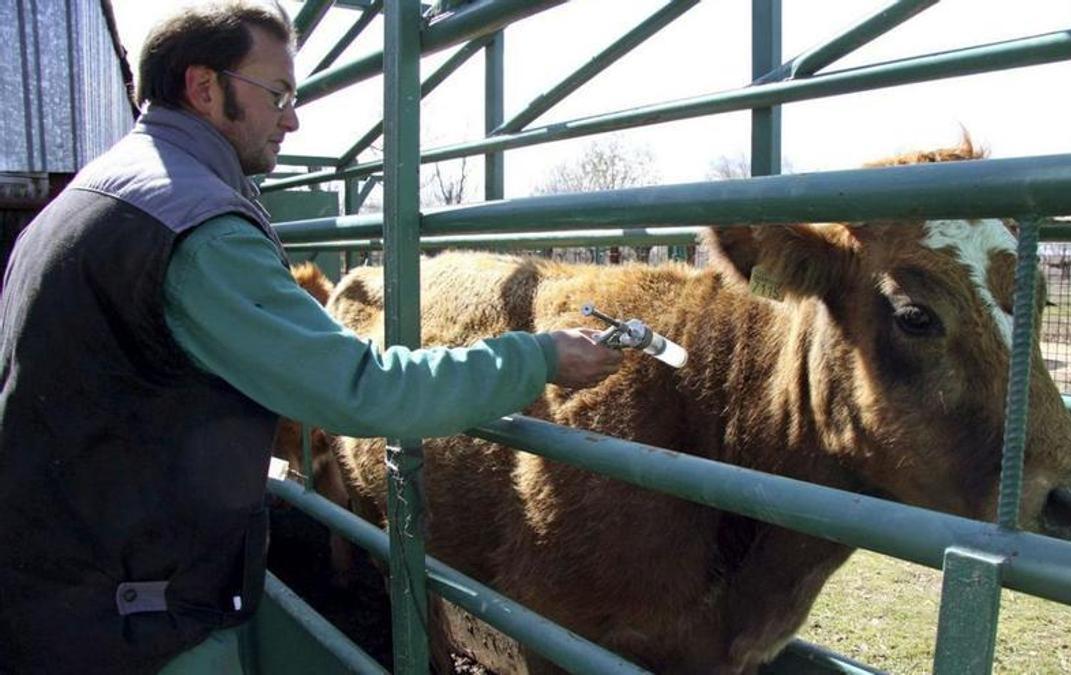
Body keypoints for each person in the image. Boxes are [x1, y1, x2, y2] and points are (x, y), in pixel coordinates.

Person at [0, 2, 622, 673]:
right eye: (279, 94)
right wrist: (536, 355)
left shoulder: (90, 195)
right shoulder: (198, 229)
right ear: (203, 87)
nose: (292, 119)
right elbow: (366, 390)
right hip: (134, 627)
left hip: (61, 592)